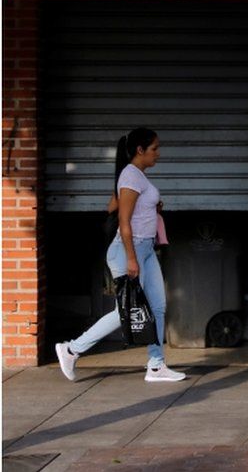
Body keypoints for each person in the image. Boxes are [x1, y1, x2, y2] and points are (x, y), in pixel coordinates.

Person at [55, 128, 185, 383]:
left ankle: (156, 365)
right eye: (154, 148)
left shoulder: (135, 177)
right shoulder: (131, 176)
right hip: (130, 250)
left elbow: (112, 205)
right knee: (125, 311)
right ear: (140, 150)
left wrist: (151, 205)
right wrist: (132, 258)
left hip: (145, 249)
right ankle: (71, 349)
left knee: (157, 307)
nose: (158, 153)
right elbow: (123, 221)